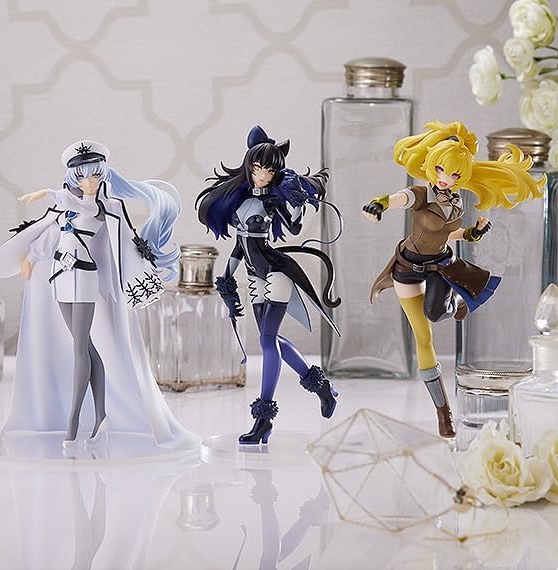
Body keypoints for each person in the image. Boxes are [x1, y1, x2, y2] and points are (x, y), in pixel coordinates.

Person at [0, 140, 197, 450]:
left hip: (85, 281)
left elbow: (105, 227)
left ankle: (72, 424)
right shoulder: (64, 209)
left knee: (80, 349)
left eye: (95, 175)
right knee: (86, 348)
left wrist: (49, 193)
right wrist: (30, 258)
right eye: (82, 176)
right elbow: (51, 234)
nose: (89, 182)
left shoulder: (104, 208)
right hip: (60, 280)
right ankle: (101, 418)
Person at [363, 121, 544, 437]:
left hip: (441, 266)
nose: (445, 179)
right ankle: (443, 411)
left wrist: (472, 233)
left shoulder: (458, 201)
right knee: (424, 337)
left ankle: (457, 301)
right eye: (440, 170)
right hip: (408, 267)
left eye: (455, 175)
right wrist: (381, 203)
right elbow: (400, 198)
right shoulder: (421, 193)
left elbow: (449, 233)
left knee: (435, 313)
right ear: (431, 165)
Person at [196, 125, 341, 445]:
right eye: (257, 169)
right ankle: (322, 387)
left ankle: (263, 419)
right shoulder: (241, 201)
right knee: (270, 340)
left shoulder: (273, 203)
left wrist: (297, 202)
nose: (262, 176)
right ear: (249, 166)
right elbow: (240, 246)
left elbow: (295, 226)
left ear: (276, 174)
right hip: (254, 276)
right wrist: (227, 276)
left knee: (266, 340)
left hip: (277, 271)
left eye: (269, 171)